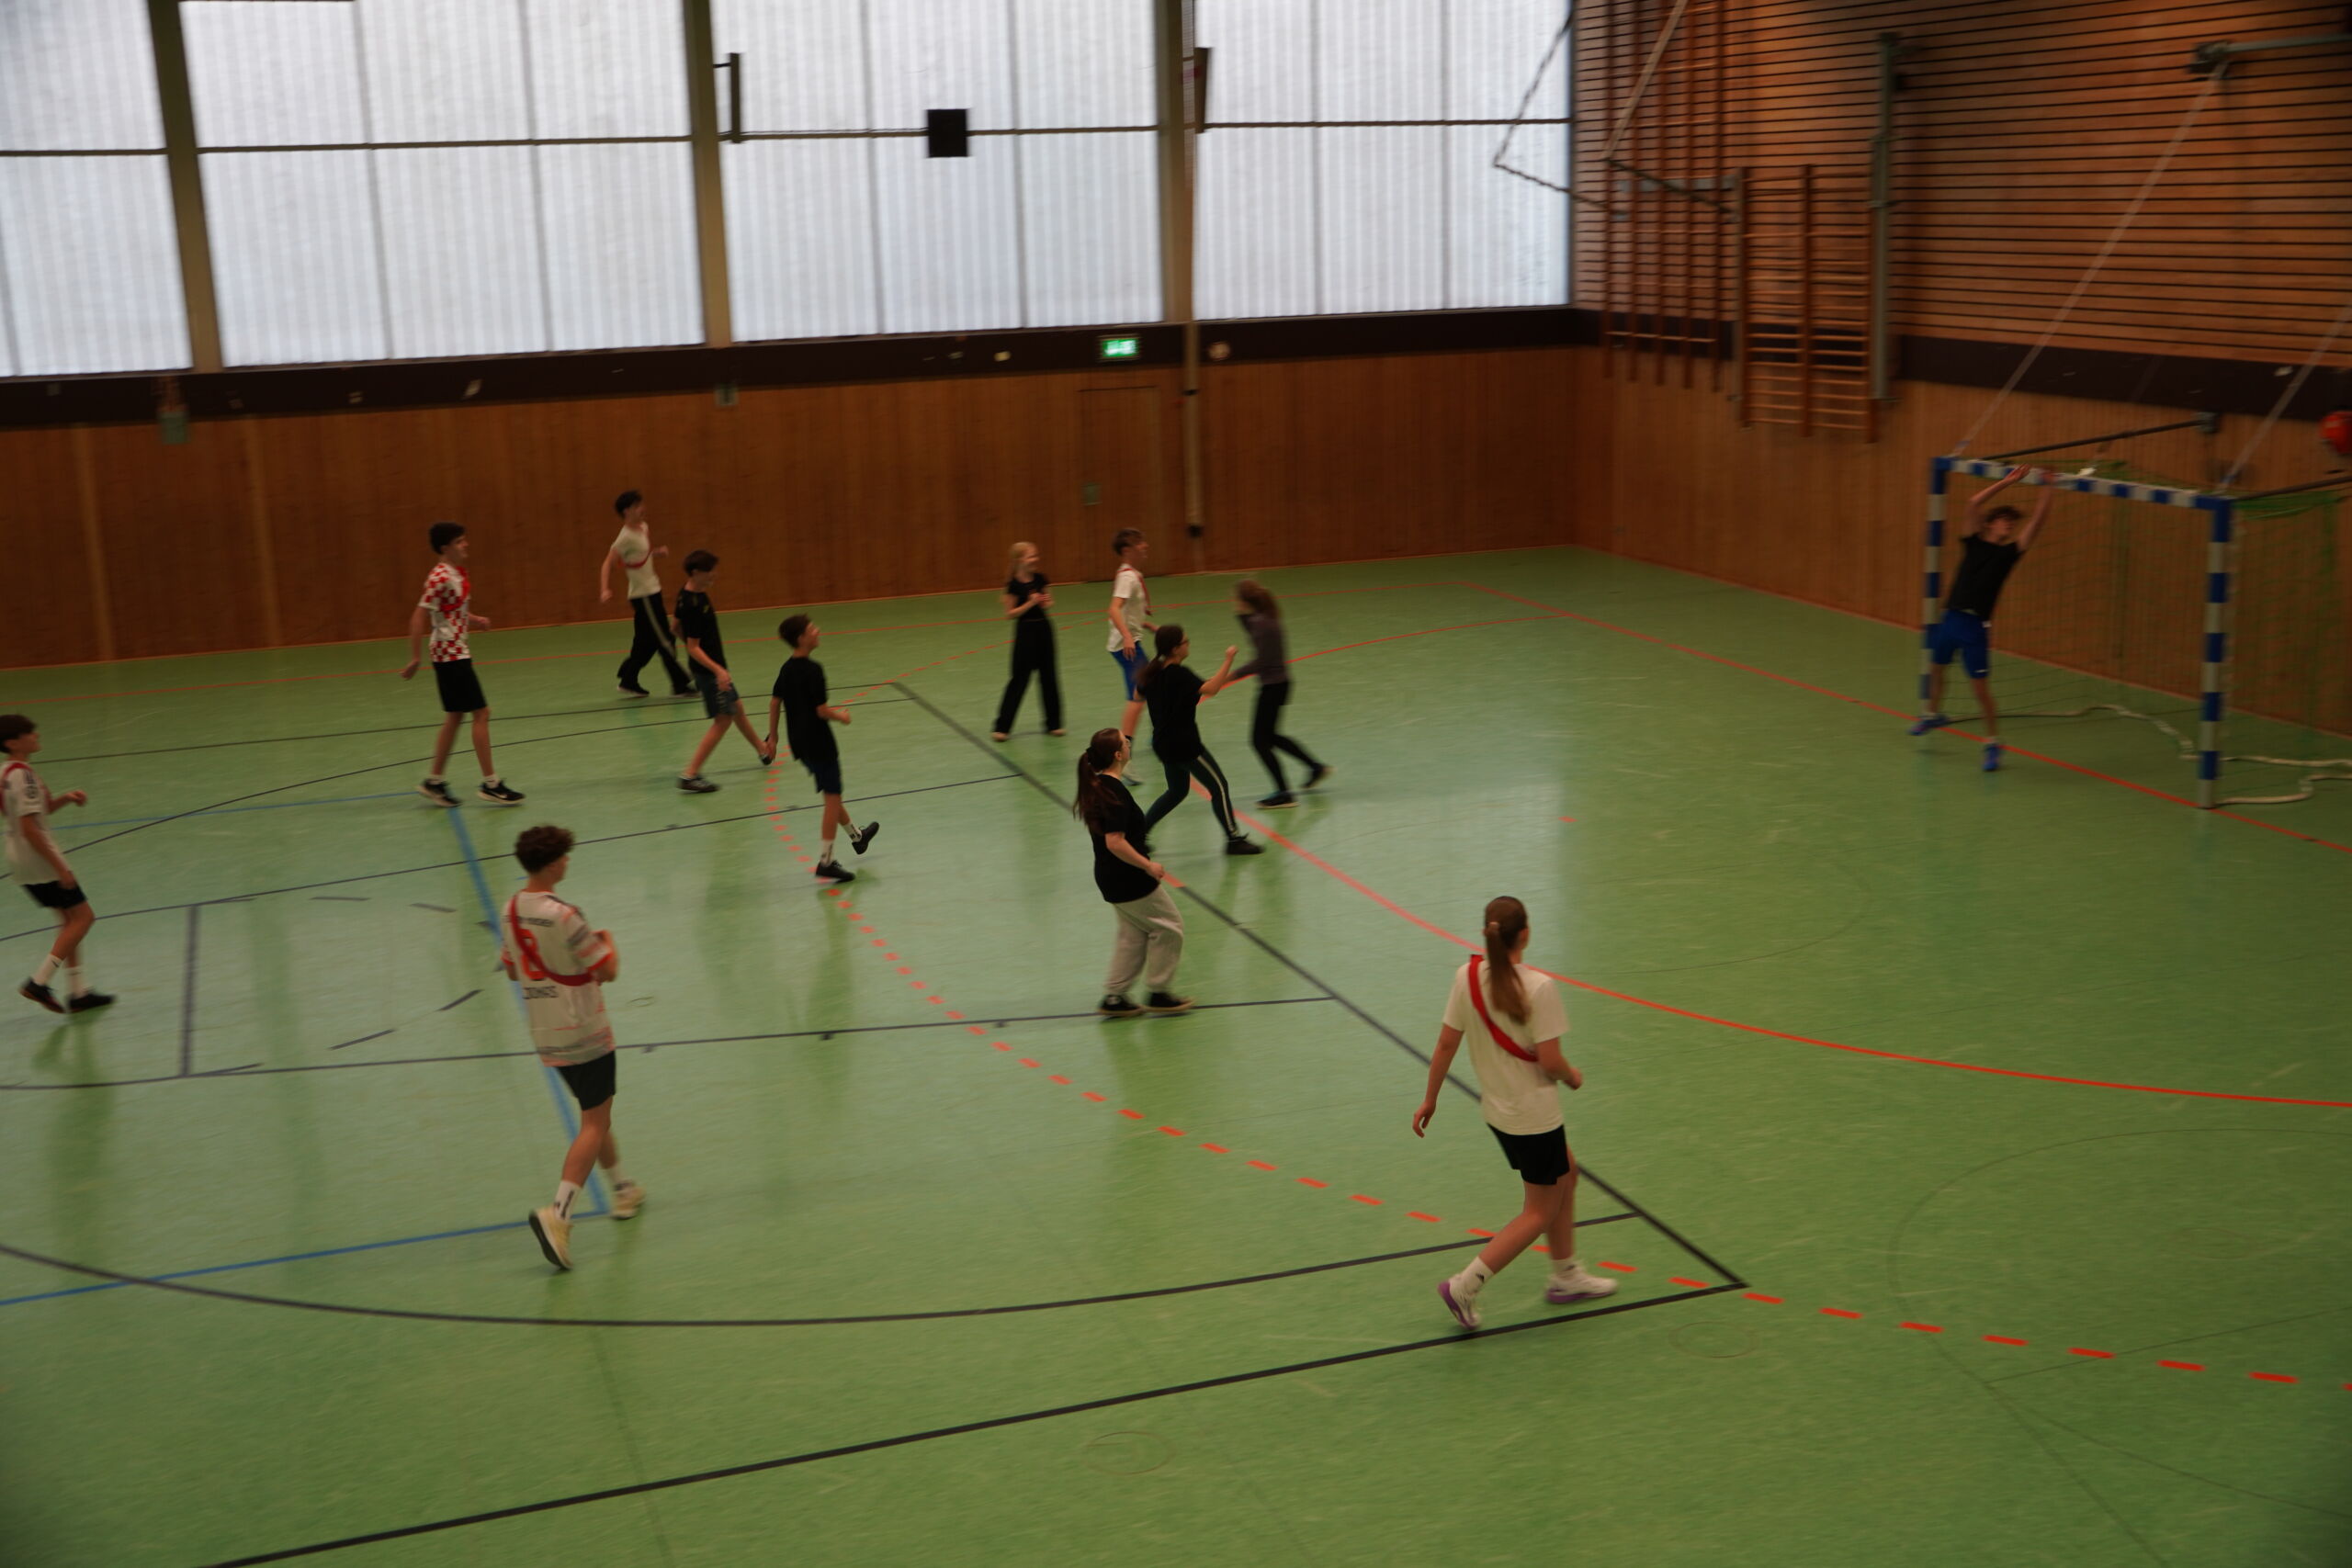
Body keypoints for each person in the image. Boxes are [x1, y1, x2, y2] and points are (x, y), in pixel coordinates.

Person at [1412, 897, 1616, 1330]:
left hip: (1500, 1113)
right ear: (1525, 935)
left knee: (1567, 1173)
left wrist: (1430, 1099)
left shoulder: (1466, 977)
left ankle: (1565, 1274)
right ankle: (1464, 1286)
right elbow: (1550, 1061)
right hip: (1534, 1118)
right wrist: (1573, 1076)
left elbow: (1446, 1043)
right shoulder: (1539, 988)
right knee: (1538, 1211)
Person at [503, 825, 644, 1271]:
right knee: (594, 1122)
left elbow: (513, 969)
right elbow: (607, 970)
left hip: (546, 1032)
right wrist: (609, 942)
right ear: (550, 865)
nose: (567, 862)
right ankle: (558, 1215)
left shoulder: (511, 910)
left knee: (593, 1114)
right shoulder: (565, 915)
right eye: (563, 856)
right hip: (584, 1030)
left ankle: (623, 1189)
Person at [1912, 464, 2054, 772]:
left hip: (1975, 627)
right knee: (1936, 670)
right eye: (2004, 520)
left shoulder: (2009, 554)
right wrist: (2007, 481)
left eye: (2012, 524)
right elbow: (1973, 503)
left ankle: (1992, 743)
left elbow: (2037, 523)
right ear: (1990, 524)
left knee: (1980, 690)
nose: (2009, 526)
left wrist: (2047, 488)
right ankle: (1932, 715)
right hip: (1951, 618)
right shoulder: (1972, 542)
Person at [401, 522, 526, 808]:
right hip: (450, 655)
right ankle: (491, 784)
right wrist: (415, 657)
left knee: (455, 716)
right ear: (445, 548)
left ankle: (434, 781)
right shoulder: (439, 577)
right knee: (481, 712)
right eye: (459, 541)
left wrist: (475, 619)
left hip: (456, 651)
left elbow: (452, 611)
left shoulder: (456, 573)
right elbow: (418, 616)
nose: (465, 544)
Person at [1072, 728, 1191, 1018]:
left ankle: (1115, 997)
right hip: (1129, 877)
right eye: (1125, 743)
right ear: (1118, 755)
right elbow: (1115, 842)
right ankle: (1159, 992)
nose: (1129, 745)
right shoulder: (1114, 792)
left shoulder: (1099, 786)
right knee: (1169, 926)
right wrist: (1147, 865)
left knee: (1133, 934)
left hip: (1110, 877)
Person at [2, 715, 111, 1014]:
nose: (36, 736)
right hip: (39, 858)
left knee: (68, 920)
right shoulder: (22, 775)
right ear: (12, 743)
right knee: (84, 918)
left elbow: (40, 809)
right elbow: (29, 827)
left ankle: (79, 992)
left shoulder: (7, 773)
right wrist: (60, 868)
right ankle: (39, 982)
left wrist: (66, 798)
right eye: (29, 733)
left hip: (19, 858)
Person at [1121, 625, 1261, 856]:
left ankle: (1138, 835)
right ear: (1176, 648)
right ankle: (1234, 839)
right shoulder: (1180, 674)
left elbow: (1137, 694)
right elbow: (1212, 689)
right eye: (1186, 642)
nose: (1188, 645)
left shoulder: (1152, 671)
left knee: (1176, 792)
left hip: (1163, 744)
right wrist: (1228, 659)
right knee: (1219, 786)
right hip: (1185, 745)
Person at [767, 614, 878, 884]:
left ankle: (857, 837)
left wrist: (774, 738)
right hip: (819, 742)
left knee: (831, 794)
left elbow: (774, 702)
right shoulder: (813, 670)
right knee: (832, 798)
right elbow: (822, 711)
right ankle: (826, 862)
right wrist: (843, 716)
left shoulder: (786, 668)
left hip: (799, 743)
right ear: (802, 638)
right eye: (812, 629)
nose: (817, 630)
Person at [673, 550, 775, 794]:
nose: (714, 575)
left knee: (736, 707)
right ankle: (690, 774)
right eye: (710, 571)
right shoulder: (695, 604)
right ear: (696, 572)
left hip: (711, 667)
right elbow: (693, 647)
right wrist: (717, 670)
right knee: (723, 719)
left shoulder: (687, 593)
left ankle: (762, 750)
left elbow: (675, 627)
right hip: (710, 672)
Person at [1232, 578, 1330, 807]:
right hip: (1279, 684)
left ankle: (1284, 793)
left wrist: (1231, 675)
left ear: (1245, 601)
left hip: (1273, 687)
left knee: (1259, 741)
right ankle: (1315, 767)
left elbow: (1261, 661)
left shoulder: (1262, 624)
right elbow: (1251, 632)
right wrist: (1241, 614)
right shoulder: (1263, 618)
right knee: (1271, 736)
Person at [600, 490, 693, 699]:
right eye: (637, 506)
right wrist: (605, 589)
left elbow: (641, 554)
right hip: (643, 597)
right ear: (627, 511)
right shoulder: (624, 538)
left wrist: (656, 552)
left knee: (646, 643)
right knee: (665, 639)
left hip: (653, 591)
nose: (642, 509)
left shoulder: (643, 527)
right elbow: (608, 563)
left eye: (641, 504)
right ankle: (680, 685)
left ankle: (628, 679)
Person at [990, 541, 1064, 740]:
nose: (1035, 559)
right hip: (1026, 632)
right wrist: (1030, 603)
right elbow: (1010, 613)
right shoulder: (1013, 585)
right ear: (1019, 560)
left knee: (1049, 677)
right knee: (1019, 679)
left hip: (1044, 630)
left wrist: (1046, 602)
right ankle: (1002, 727)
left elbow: (1050, 601)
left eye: (1036, 555)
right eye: (1031, 556)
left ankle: (1054, 724)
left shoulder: (1040, 578)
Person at [1104, 529, 1155, 698]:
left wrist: (1144, 624)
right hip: (1126, 646)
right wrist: (1127, 636)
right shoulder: (1128, 578)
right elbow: (1114, 609)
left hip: (1128, 642)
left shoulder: (1132, 574)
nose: (1145, 545)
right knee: (1139, 693)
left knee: (1142, 689)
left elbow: (1127, 610)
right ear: (1127, 550)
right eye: (1139, 543)